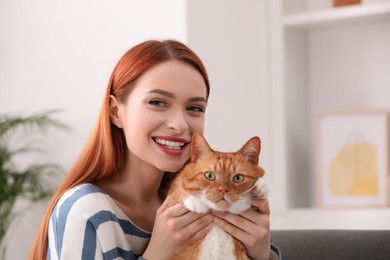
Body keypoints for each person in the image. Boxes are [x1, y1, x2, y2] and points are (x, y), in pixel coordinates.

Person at [29, 39, 281, 260]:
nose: (180, 124)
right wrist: (155, 255)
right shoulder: (87, 211)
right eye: (158, 102)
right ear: (116, 111)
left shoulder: (203, 202)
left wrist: (262, 254)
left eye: (195, 108)